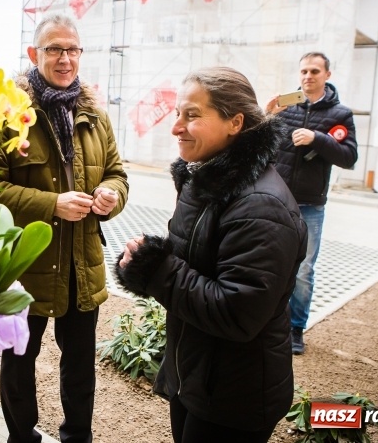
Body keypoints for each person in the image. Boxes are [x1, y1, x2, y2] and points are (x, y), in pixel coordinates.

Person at [116, 67, 307, 443]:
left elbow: (238, 311)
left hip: (235, 400)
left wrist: (156, 269)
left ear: (234, 122)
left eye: (192, 115)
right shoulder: (204, 179)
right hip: (197, 379)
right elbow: (193, 267)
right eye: (177, 114)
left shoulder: (261, 205)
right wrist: (146, 262)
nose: (176, 128)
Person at [0, 13, 129, 443]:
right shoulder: (6, 111)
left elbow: (117, 173)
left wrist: (111, 195)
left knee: (79, 367)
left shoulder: (94, 112)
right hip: (25, 267)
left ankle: (78, 437)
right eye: (55, 49)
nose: (65, 59)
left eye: (73, 49)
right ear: (34, 53)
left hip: (82, 267)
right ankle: (22, 438)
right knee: (19, 363)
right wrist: (51, 205)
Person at [266, 52, 358, 355]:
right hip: (276, 200)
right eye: (304, 70)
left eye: (315, 71)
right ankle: (269, 320)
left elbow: (349, 158)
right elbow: (261, 142)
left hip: (310, 205)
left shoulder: (341, 114)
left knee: (303, 270)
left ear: (327, 75)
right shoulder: (286, 105)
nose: (308, 76)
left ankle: (295, 329)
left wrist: (318, 138)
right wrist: (267, 116)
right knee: (269, 262)